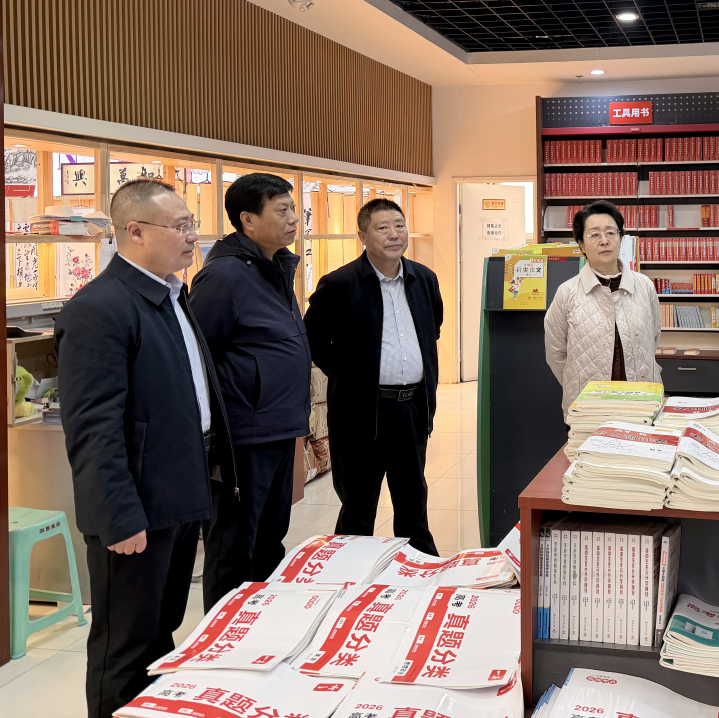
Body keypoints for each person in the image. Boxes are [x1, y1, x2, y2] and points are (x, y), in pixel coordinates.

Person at [56, 180, 237, 718]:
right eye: (180, 227)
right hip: (136, 509)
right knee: (125, 648)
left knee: (160, 633)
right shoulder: (100, 308)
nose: (193, 237)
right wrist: (118, 517)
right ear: (134, 232)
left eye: (192, 224)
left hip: (179, 494)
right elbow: (93, 428)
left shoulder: (171, 294)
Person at [188, 173, 310, 611]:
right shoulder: (223, 277)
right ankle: (222, 633)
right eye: (282, 210)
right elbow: (198, 358)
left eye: (293, 209)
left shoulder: (273, 266)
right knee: (234, 545)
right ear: (248, 220)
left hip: (278, 425)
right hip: (243, 435)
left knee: (269, 539)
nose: (293, 219)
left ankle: (260, 625)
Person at [304, 198, 442, 553]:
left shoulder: (424, 279)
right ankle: (351, 570)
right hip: (361, 412)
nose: (394, 234)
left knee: (413, 500)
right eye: (382, 227)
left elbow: (433, 328)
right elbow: (313, 338)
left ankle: (419, 567)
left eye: (399, 226)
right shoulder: (339, 283)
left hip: (413, 407)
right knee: (358, 505)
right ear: (362, 235)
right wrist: (349, 375)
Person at [544, 200, 663, 416]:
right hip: (588, 408)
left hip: (641, 403)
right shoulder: (567, 292)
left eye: (610, 233)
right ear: (581, 244)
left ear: (620, 238)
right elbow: (556, 354)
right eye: (594, 235)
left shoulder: (644, 286)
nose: (604, 241)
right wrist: (578, 383)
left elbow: (653, 336)